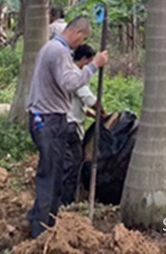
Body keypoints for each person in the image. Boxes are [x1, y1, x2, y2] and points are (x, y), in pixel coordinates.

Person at [26, 15, 109, 238]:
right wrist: (93, 66)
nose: (81, 45)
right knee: (50, 174)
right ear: (77, 33)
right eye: (83, 40)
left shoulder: (51, 49)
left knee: (53, 172)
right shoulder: (59, 51)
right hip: (49, 120)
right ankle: (42, 228)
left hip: (48, 118)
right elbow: (69, 83)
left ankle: (43, 219)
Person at [61, 43, 100, 204]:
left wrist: (90, 114)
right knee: (73, 165)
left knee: (65, 163)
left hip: (63, 122)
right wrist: (103, 113)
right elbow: (90, 99)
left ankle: (63, 199)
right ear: (84, 59)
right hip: (71, 127)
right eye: (90, 62)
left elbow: (74, 102)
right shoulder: (77, 75)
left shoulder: (66, 70)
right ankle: (67, 202)